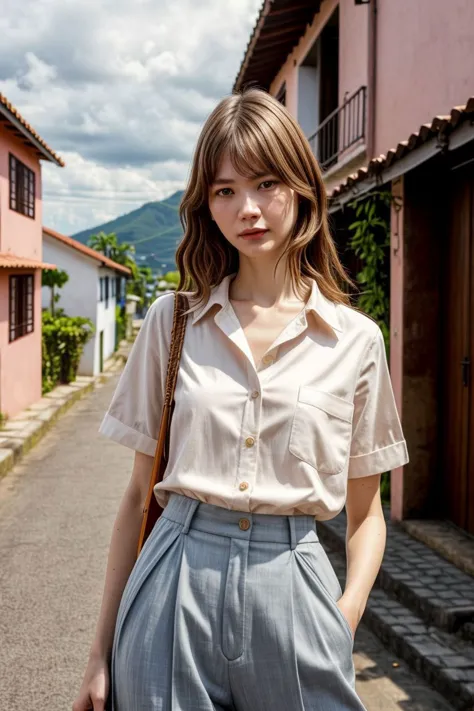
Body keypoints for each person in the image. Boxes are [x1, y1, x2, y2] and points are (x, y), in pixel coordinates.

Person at [72, 88, 409, 711]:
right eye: (225, 190)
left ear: (302, 188)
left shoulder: (356, 340)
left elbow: (366, 515)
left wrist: (344, 616)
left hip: (295, 587)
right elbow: (135, 497)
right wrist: (99, 654)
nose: (247, 209)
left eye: (265, 184)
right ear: (206, 202)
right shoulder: (171, 322)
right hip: (173, 581)